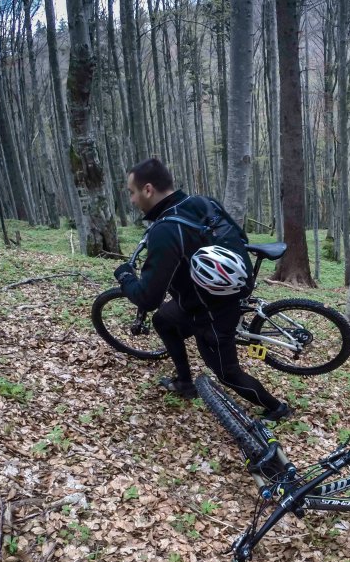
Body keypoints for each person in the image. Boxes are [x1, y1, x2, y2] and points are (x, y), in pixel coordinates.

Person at [113, 158, 292, 421]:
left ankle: (277, 408)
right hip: (203, 299)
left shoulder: (165, 230)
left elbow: (148, 298)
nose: (131, 199)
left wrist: (125, 276)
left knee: (227, 373)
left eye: (132, 192)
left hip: (211, 311)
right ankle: (185, 383)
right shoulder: (203, 202)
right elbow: (240, 238)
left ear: (148, 189)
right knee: (163, 320)